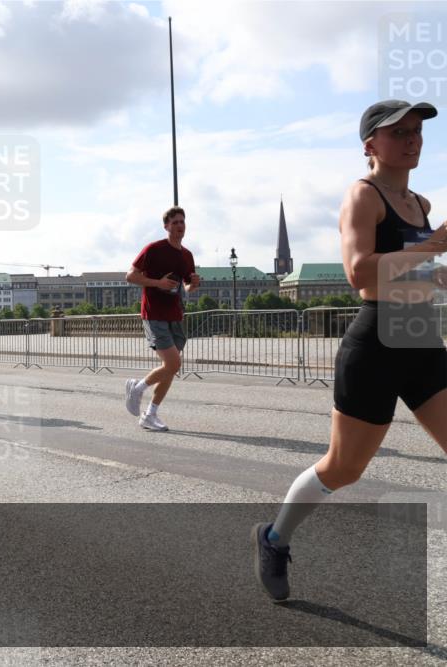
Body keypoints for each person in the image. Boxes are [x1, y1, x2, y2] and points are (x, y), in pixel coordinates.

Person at [254, 100, 447, 601]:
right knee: (344, 468)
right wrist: (435, 247)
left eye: (417, 131)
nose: (412, 139)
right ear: (370, 146)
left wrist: (439, 270)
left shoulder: (421, 205)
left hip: (422, 335)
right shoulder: (362, 197)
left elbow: (419, 274)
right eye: (398, 132)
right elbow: (361, 273)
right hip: (378, 342)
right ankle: (273, 538)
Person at [123, 207, 200, 431]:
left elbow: (186, 288)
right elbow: (130, 276)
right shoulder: (154, 249)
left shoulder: (187, 255)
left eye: (182, 222)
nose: (179, 225)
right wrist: (158, 283)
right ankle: (137, 389)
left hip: (175, 315)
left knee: (170, 367)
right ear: (166, 226)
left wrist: (193, 283)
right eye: (175, 222)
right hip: (154, 313)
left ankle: (150, 414)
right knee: (174, 363)